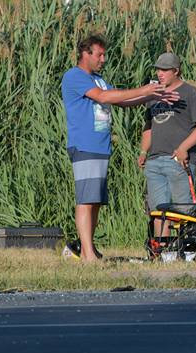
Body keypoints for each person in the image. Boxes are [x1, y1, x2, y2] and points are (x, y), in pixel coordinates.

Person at [61, 34, 172, 262]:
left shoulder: (98, 79)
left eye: (104, 54)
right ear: (86, 54)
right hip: (85, 145)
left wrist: (151, 95)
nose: (103, 59)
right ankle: (87, 255)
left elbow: (121, 100)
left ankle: (88, 248)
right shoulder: (74, 76)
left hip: (101, 147)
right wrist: (144, 89)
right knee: (85, 200)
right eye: (99, 54)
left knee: (96, 201)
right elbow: (103, 97)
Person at [139, 53, 196, 237]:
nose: (159, 73)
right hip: (154, 161)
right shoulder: (154, 95)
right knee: (158, 211)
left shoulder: (190, 93)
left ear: (176, 71)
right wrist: (143, 151)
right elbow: (149, 126)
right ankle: (163, 251)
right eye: (158, 69)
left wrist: (183, 148)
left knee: (183, 209)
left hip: (179, 160)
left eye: (164, 70)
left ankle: (186, 248)